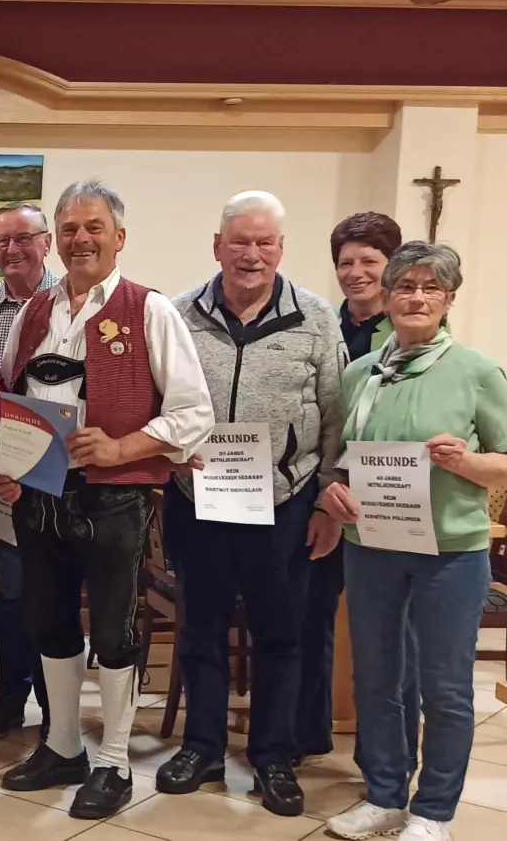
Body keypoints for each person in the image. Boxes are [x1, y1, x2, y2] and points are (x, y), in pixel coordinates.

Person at [0, 180, 213, 820]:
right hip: (40, 497)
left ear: (119, 237)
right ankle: (62, 746)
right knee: (50, 623)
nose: (80, 240)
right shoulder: (35, 312)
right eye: (69, 229)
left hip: (115, 501)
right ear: (54, 239)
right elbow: (11, 396)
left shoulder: (151, 310)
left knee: (115, 633)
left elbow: (193, 412)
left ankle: (113, 761)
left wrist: (121, 448)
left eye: (93, 228)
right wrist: (5, 468)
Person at [157, 191, 346, 816]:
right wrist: (172, 451)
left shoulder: (317, 318)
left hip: (284, 503)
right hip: (198, 498)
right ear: (217, 246)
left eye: (265, 243)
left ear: (282, 250)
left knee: (281, 634)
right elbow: (157, 401)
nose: (252, 254)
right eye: (239, 241)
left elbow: (335, 420)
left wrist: (324, 501)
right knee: (201, 628)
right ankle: (203, 746)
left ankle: (272, 756)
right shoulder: (178, 313)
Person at [320, 242, 502, 841]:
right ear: (388, 296)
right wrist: (335, 492)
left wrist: (467, 463)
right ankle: (384, 795)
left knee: (442, 686)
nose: (416, 297)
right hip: (371, 544)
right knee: (375, 677)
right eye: (405, 287)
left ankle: (434, 812)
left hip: (451, 553)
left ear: (449, 300)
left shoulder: (476, 370)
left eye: (431, 288)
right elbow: (341, 460)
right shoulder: (358, 373)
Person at [296, 212, 419, 768]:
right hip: (327, 498)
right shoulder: (321, 324)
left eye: (369, 261)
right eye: (345, 262)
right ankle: (308, 734)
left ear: (392, 268)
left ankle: (385, 757)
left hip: (391, 502)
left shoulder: (414, 333)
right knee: (311, 616)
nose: (355, 272)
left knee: (390, 637)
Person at [0, 202, 59, 741]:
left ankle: (57, 703)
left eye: (23, 238)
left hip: (63, 473)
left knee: (57, 589)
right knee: (14, 591)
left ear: (45, 242)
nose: (12, 250)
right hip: (0, 472)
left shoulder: (71, 303)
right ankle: (10, 696)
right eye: (1, 241)